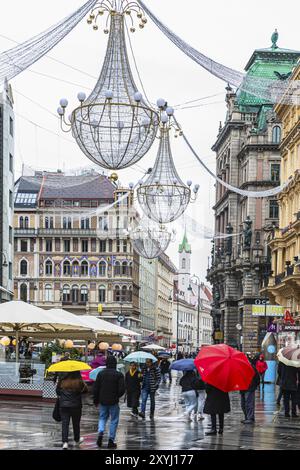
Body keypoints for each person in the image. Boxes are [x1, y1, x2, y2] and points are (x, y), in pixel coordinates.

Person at [93, 355, 125, 449]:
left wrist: (96, 400)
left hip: (103, 401)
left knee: (102, 418)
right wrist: (116, 396)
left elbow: (96, 388)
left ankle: (101, 431)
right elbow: (122, 389)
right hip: (114, 401)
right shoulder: (119, 375)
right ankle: (111, 440)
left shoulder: (101, 374)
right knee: (114, 420)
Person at [56, 371, 87, 450]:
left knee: (65, 424)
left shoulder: (62, 381)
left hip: (64, 406)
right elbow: (85, 391)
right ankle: (77, 440)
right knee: (76, 423)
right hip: (76, 406)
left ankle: (65, 443)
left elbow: (58, 392)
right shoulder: (79, 382)